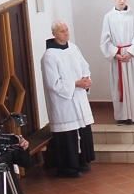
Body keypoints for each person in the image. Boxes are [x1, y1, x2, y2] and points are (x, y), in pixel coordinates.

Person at [41, 21, 96, 177]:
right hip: (63, 102)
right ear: (54, 34)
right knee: (68, 136)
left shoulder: (73, 48)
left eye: (66, 30)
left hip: (79, 97)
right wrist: (76, 84)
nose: (66, 33)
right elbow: (53, 83)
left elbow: (84, 66)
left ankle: (82, 161)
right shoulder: (49, 56)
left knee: (82, 131)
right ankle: (68, 167)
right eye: (62, 31)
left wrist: (86, 78)